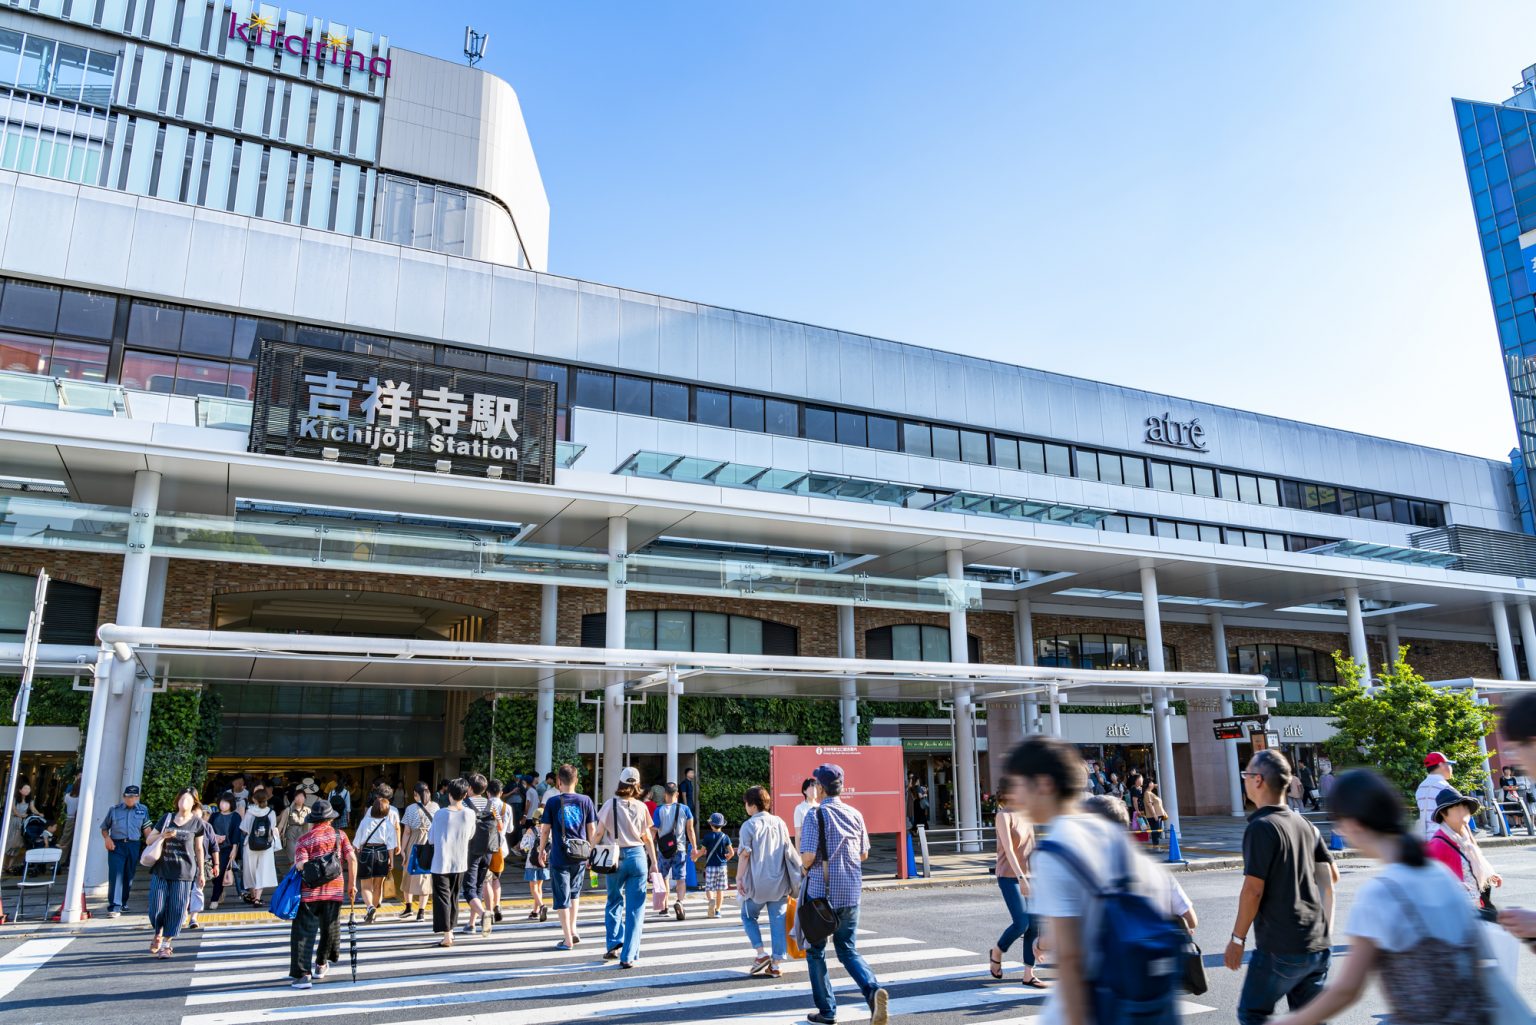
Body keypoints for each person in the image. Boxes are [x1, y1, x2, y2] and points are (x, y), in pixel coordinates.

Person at [1267, 770, 1492, 1025]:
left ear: (1354, 824)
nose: (1340, 830)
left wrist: (1286, 1022)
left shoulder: (1382, 892)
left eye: (1338, 822)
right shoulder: (1437, 873)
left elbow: (1346, 989)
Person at [1008, 737, 1181, 1025]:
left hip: (1101, 1004)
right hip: (1145, 999)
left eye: (1017, 784)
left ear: (1044, 784)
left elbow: (1072, 962)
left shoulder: (1054, 850)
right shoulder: (1113, 836)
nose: (1014, 796)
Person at [1227, 750, 1338, 1025]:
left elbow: (1253, 890)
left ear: (1258, 780)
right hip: (1317, 944)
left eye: (1247, 774)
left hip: (1280, 945)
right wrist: (1325, 929)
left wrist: (1237, 940)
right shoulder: (1305, 825)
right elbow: (1330, 877)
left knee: (1253, 1014)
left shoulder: (1262, 826)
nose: (1245, 780)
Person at [799, 763, 889, 1025]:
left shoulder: (814, 815)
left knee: (816, 952)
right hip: (850, 893)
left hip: (820, 896)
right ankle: (872, 991)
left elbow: (808, 856)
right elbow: (863, 854)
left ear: (820, 788)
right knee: (848, 950)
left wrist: (804, 868)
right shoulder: (855, 813)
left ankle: (827, 1011)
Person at [288, 798, 357, 990]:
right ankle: (321, 965)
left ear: (313, 820)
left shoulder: (304, 839)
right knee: (329, 930)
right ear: (331, 819)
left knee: (303, 933)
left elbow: (301, 865)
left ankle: (303, 976)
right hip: (334, 893)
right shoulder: (339, 836)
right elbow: (351, 859)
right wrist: (352, 885)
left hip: (310, 893)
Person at [594, 765, 659, 969]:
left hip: (614, 857)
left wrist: (591, 853)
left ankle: (614, 944)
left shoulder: (609, 804)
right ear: (637, 785)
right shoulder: (641, 807)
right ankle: (628, 955)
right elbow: (647, 837)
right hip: (638, 856)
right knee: (635, 908)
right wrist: (654, 863)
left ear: (620, 783)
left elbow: (598, 833)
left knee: (613, 900)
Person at [990, 789, 1046, 989]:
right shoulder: (1003, 816)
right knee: (1021, 922)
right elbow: (1009, 850)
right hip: (1008, 876)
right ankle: (997, 951)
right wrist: (1022, 878)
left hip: (1032, 875)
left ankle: (1028, 974)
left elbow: (1032, 847)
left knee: (1034, 924)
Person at [540, 762, 598, 950]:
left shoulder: (553, 802)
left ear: (558, 781)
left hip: (559, 856)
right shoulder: (586, 800)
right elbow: (592, 829)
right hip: (581, 855)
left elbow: (545, 830)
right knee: (574, 894)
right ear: (577, 781)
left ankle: (567, 939)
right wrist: (591, 852)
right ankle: (573, 930)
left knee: (562, 898)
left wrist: (541, 849)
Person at [738, 784, 793, 979]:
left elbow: (745, 855)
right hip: (779, 882)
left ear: (752, 805)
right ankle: (776, 964)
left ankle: (761, 953)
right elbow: (788, 849)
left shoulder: (749, 825)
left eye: (746, 803)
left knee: (747, 915)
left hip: (757, 883)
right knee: (778, 921)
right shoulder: (779, 822)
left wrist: (738, 878)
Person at [146, 788, 206, 959]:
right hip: (162, 869)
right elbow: (149, 839)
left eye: (187, 800)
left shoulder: (197, 823)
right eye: (181, 799)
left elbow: (199, 849)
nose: (183, 803)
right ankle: (157, 932)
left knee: (177, 909)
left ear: (194, 802)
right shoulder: (167, 818)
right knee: (156, 906)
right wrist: (162, 836)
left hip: (184, 871)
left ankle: (166, 944)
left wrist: (201, 873)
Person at [428, 777, 474, 947]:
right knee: (454, 897)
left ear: (449, 794)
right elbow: (470, 836)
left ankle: (447, 935)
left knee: (442, 898)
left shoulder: (440, 814)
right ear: (465, 794)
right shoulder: (470, 814)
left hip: (441, 861)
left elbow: (431, 839)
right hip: (460, 861)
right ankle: (452, 931)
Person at [100, 784, 150, 918]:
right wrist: (107, 839)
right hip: (116, 845)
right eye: (128, 796)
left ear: (138, 797)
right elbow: (104, 828)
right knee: (116, 875)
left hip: (133, 845)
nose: (130, 799)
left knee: (129, 875)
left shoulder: (143, 810)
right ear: (124, 797)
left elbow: (146, 829)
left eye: (134, 797)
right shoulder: (114, 810)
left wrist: (152, 844)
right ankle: (114, 906)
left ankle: (123, 902)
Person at [460, 773, 500, 936]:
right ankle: (471, 924)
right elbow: (499, 825)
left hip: (472, 849)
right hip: (489, 849)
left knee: (469, 888)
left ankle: (484, 915)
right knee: (478, 885)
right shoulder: (491, 804)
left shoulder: (465, 803)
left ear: (469, 788)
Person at [353, 785, 400, 924]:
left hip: (367, 852)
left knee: (366, 886)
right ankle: (373, 912)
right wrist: (391, 860)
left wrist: (358, 853)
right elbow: (391, 845)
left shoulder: (365, 821)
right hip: (382, 853)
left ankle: (370, 907)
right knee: (378, 885)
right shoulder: (388, 825)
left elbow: (356, 843)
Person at [652, 781, 697, 920]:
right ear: (677, 794)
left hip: (663, 850)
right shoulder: (685, 809)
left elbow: (654, 832)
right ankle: (680, 902)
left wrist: (650, 851)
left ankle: (664, 907)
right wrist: (694, 848)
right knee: (680, 879)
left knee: (664, 877)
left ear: (665, 794)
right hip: (680, 849)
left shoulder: (658, 810)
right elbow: (690, 830)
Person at [399, 782, 438, 920]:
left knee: (408, 874)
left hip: (414, 843)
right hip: (430, 843)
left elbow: (407, 832)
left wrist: (402, 849)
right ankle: (421, 912)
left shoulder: (410, 808)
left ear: (416, 794)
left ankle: (408, 908)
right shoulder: (436, 807)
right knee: (425, 876)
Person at [240, 787, 280, 907]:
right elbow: (273, 828)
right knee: (262, 871)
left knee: (250, 871)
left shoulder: (250, 811)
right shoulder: (271, 812)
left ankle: (252, 895)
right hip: (266, 846)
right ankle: (257, 898)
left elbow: (244, 828)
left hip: (250, 845)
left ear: (254, 800)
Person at [208, 792, 243, 910]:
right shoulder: (214, 816)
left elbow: (236, 835)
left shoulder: (235, 816)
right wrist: (215, 837)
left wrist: (234, 849)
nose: (223, 804)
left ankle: (214, 899)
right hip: (213, 848)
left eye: (226, 802)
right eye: (222, 802)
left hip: (226, 849)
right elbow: (209, 830)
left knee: (219, 873)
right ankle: (220, 892)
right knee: (214, 874)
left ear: (231, 803)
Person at [697, 811, 734, 918]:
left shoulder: (707, 837)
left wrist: (695, 857)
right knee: (720, 889)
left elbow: (702, 851)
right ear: (722, 825)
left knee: (709, 887)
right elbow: (731, 853)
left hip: (710, 866)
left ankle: (711, 900)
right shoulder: (725, 837)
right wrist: (726, 858)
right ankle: (718, 910)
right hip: (722, 866)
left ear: (711, 824)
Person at [1416, 751, 1456, 839]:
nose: (1451, 768)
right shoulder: (1444, 787)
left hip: (1426, 838)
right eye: (1449, 764)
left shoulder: (1421, 787)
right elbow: (1457, 818)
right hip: (1444, 837)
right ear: (1441, 765)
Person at [485, 778, 509, 923]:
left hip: (485, 846)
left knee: (486, 880)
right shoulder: (507, 808)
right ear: (501, 792)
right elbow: (510, 829)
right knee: (496, 878)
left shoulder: (485, 806)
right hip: (500, 846)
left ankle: (488, 910)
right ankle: (497, 905)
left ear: (487, 792)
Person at [523, 805, 550, 922]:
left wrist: (526, 850)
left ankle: (542, 906)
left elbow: (523, 845)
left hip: (532, 862)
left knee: (533, 888)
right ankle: (535, 912)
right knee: (539, 887)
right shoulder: (549, 830)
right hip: (544, 862)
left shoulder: (531, 830)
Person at [279, 789, 309, 874]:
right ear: (294, 798)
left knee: (302, 859)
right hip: (291, 836)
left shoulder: (308, 810)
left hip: (303, 836)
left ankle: (300, 879)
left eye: (302, 796)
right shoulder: (288, 810)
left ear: (305, 798)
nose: (299, 798)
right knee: (293, 859)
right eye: (297, 796)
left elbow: (312, 825)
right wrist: (276, 836)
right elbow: (281, 825)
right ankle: (292, 879)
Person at [1143, 780, 1167, 849]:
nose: (1153, 784)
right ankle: (1156, 847)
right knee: (1156, 832)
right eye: (1152, 782)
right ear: (1149, 784)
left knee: (1157, 832)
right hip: (1153, 816)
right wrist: (1154, 814)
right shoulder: (1147, 793)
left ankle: (1156, 846)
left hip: (1157, 815)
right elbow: (1149, 804)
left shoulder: (1151, 793)